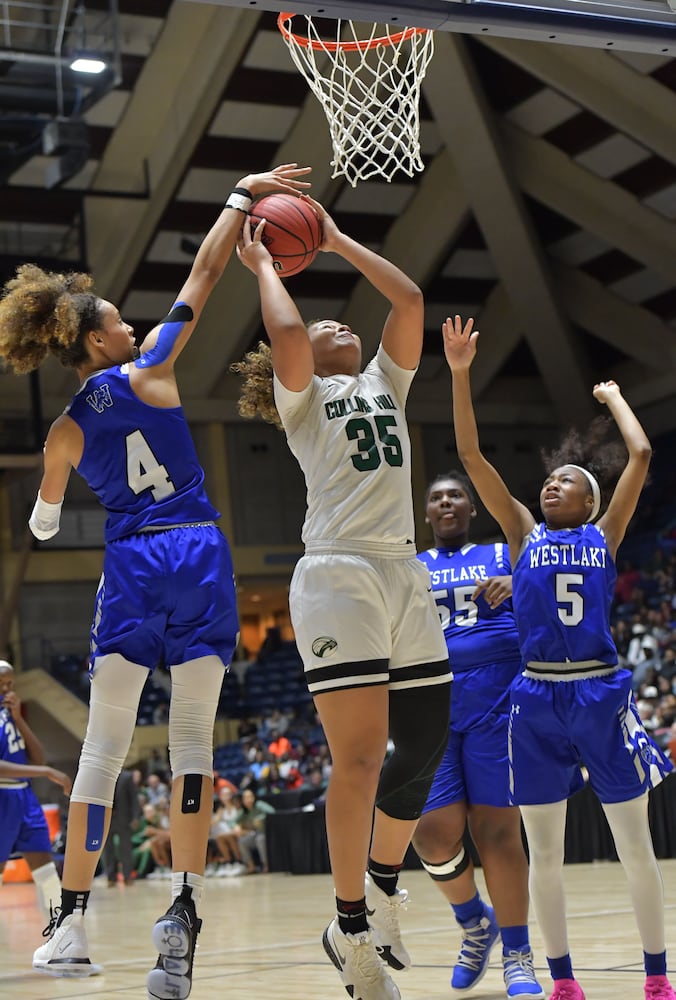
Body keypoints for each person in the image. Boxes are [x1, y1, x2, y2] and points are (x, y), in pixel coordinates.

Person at [0, 162, 311, 999]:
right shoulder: (155, 369)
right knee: (192, 743)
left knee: (101, 750)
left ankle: (68, 924)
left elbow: (43, 518)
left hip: (134, 563)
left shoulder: (66, 428)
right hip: (200, 554)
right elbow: (206, 273)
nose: (133, 323)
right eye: (118, 319)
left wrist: (46, 504)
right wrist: (241, 197)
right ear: (97, 340)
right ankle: (184, 902)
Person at [233, 198, 452, 1000]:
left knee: (424, 743)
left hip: (402, 570)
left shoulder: (385, 383)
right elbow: (288, 337)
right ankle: (351, 927)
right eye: (327, 327)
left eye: (339, 324)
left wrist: (333, 240)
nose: (336, 325)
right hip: (337, 576)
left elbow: (410, 303)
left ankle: (383, 886)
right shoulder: (304, 401)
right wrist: (264, 263)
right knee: (360, 758)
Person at [442, 314, 675, 1000]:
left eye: (568, 481)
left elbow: (639, 455)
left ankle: (658, 976)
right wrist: (459, 375)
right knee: (544, 850)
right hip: (536, 698)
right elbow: (473, 456)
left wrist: (613, 399)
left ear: (591, 501)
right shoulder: (521, 532)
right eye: (550, 481)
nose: (553, 485)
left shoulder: (606, 533)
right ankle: (563, 979)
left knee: (635, 843)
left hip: (599, 695)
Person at [415, 473, 544, 999]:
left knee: (497, 834)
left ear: (472, 508)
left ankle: (517, 953)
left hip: (498, 699)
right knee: (431, 833)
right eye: (436, 498)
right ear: (426, 515)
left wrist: (522, 583)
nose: (446, 502)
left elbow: (551, 582)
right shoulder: (412, 566)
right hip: (434, 704)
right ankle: (474, 923)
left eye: (456, 495)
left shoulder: (501, 553)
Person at [0, 660, 71, 919]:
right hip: (2, 797)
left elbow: (37, 758)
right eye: (2, 684)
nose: (8, 690)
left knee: (46, 869)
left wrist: (19, 719)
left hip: (25, 798)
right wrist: (47, 773)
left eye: (11, 684)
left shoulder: (11, 712)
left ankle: (58, 931)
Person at [103, 768, 142, 886]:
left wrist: (136, 817)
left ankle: (127, 875)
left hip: (123, 818)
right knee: (108, 849)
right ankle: (111, 877)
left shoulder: (127, 776)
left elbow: (134, 798)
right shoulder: (103, 776)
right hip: (107, 819)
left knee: (125, 848)